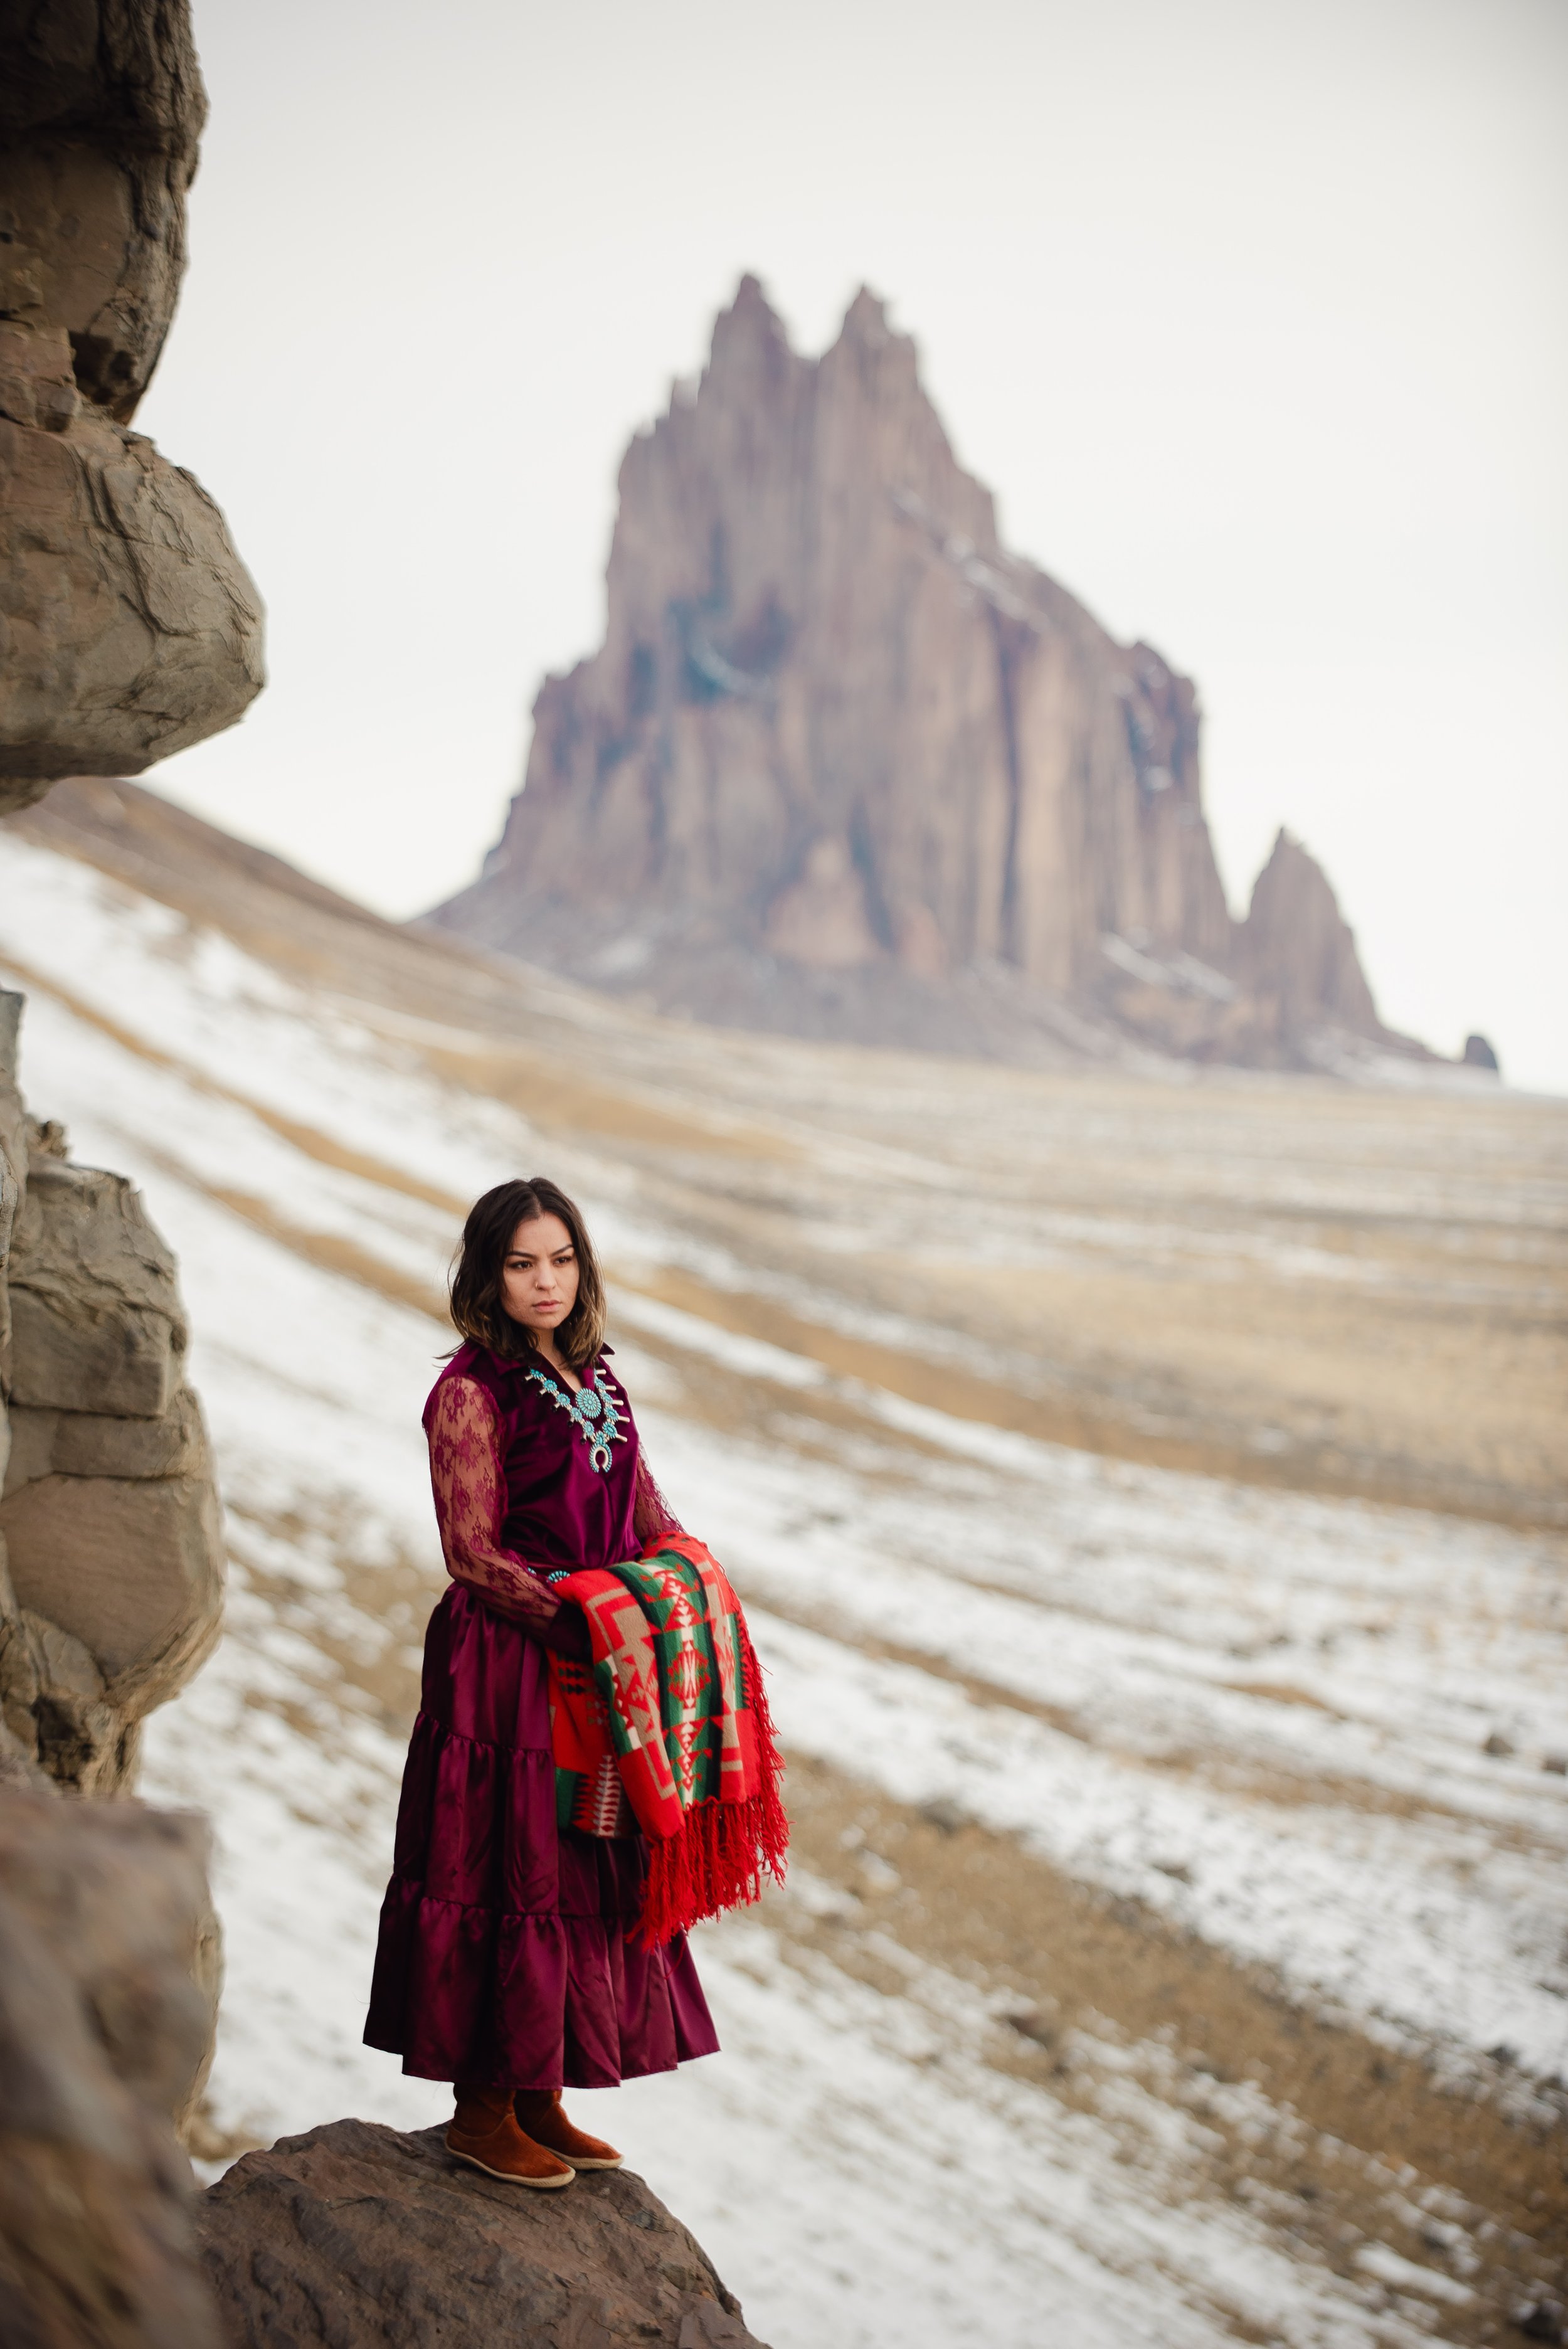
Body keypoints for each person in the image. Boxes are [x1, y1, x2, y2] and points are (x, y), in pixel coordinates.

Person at [364, 1176, 719, 2187]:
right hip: (510, 1667)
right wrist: (583, 1617)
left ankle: (539, 2092)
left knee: (572, 1869)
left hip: (597, 1661)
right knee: (502, 1865)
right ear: (487, 1274)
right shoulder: (469, 1394)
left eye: (561, 1259)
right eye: (521, 1263)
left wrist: (684, 1578)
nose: (545, 1280)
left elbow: (645, 1507)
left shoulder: (601, 1378)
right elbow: (471, 1553)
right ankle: (481, 2111)